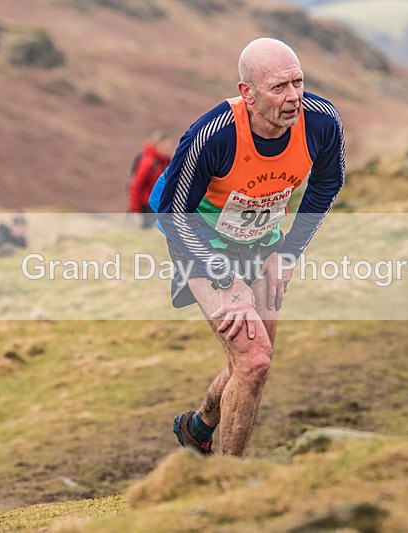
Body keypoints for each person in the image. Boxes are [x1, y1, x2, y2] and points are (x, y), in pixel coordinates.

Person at [148, 37, 345, 456]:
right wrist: (225, 277)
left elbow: (327, 184)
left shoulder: (322, 122)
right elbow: (173, 214)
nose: (293, 97)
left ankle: (197, 427)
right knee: (253, 360)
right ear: (248, 93)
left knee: (254, 363)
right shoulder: (212, 135)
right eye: (279, 87)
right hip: (199, 239)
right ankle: (230, 477)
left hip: (262, 240)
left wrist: (288, 252)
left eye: (298, 82)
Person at [128, 131, 172, 229]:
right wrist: (135, 211)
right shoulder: (149, 161)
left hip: (158, 204)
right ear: (156, 145)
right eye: (164, 145)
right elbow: (136, 185)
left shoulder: (167, 161)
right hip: (146, 206)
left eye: (168, 145)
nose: (167, 148)